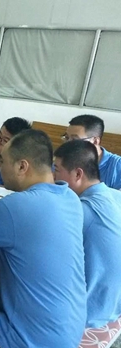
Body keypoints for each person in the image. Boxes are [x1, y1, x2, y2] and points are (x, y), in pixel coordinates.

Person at [0, 130, 86, 348]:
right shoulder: (70, 198)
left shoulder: (13, 206)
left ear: (22, 166)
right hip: (69, 333)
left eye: (3, 160)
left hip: (34, 346)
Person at [53, 140, 121, 328]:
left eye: (56, 170)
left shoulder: (80, 212)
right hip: (114, 304)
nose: (53, 176)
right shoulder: (115, 196)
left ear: (78, 174)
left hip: (89, 313)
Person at [63, 114, 121, 189]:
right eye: (67, 137)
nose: (68, 144)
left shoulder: (117, 166)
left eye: (75, 140)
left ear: (95, 141)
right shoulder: (62, 161)